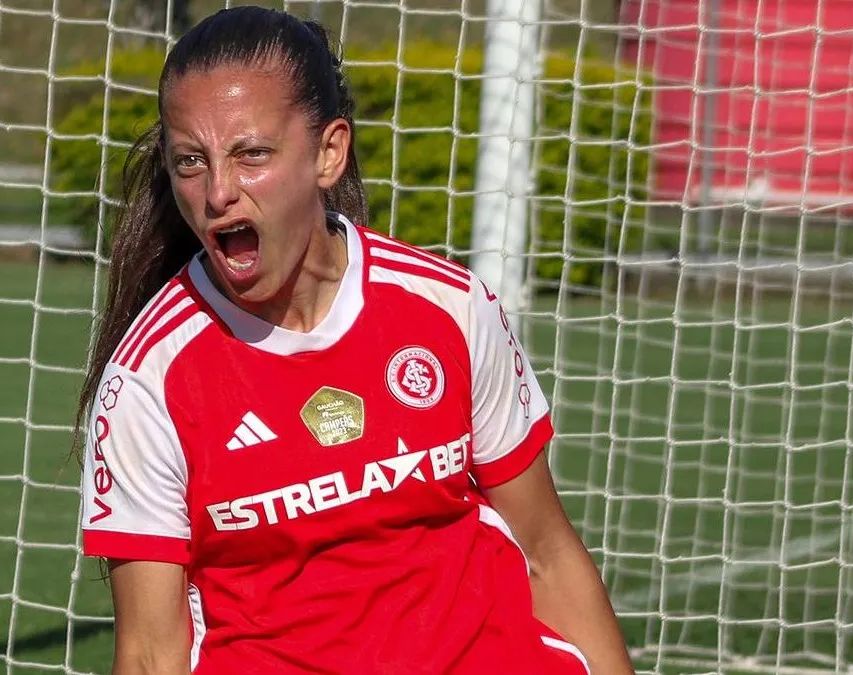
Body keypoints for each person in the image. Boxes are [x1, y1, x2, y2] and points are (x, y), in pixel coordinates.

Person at [74, 6, 635, 674]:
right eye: (190, 161)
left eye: (252, 153)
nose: (217, 191)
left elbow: (547, 552)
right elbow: (148, 652)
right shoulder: (147, 381)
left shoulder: (448, 308)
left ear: (329, 151)